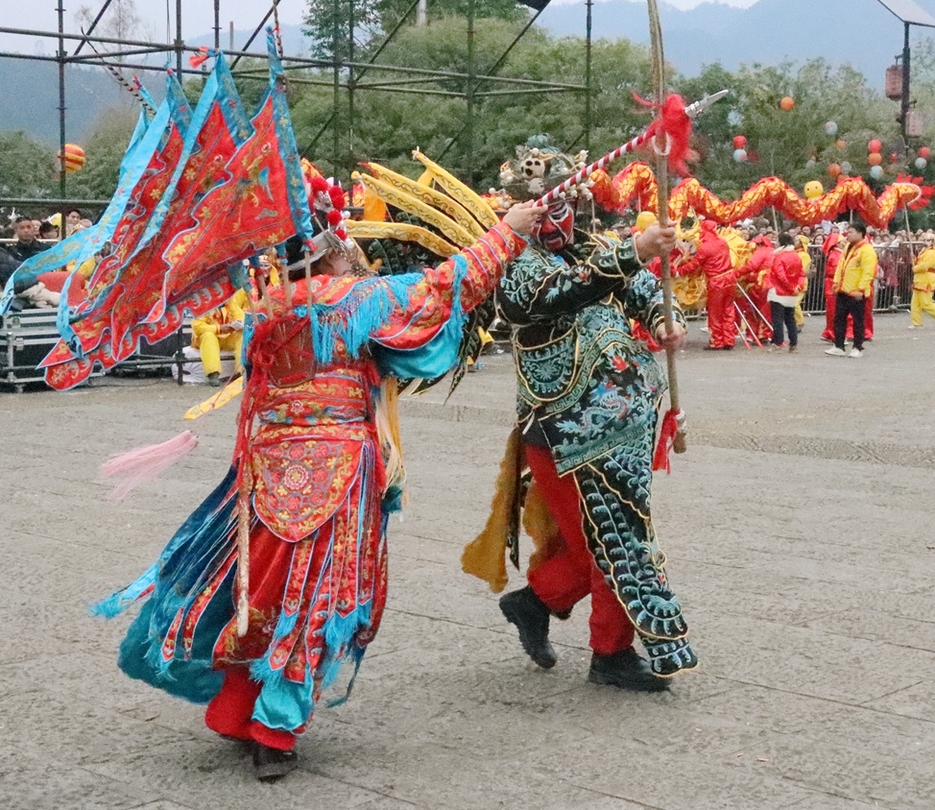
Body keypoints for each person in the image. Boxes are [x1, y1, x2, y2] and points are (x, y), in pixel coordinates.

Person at [95, 198, 543, 781]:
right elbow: (444, 286)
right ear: (325, 248)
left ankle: (237, 710)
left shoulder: (266, 306)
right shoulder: (351, 300)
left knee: (262, 585)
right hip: (336, 468)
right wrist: (506, 233)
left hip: (269, 466)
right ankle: (275, 730)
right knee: (318, 595)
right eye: (341, 241)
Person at [471, 138, 697, 691]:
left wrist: (664, 317)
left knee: (604, 538)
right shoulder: (514, 263)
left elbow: (641, 288)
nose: (553, 216)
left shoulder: (593, 245)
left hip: (628, 419)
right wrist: (634, 250)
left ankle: (536, 602)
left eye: (560, 202)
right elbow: (560, 294)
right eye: (540, 205)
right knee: (615, 542)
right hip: (564, 430)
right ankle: (610, 654)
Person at [676, 219, 736, 350]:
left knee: (715, 312)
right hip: (730, 278)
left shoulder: (705, 248)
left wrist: (678, 271)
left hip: (716, 281)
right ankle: (729, 340)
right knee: (728, 310)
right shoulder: (723, 242)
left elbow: (694, 265)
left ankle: (717, 342)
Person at [825, 221, 877, 359]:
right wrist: (836, 283)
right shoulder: (848, 247)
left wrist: (861, 289)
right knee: (839, 319)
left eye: (851, 232)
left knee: (858, 321)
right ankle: (839, 346)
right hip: (843, 290)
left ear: (860, 233)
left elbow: (868, 272)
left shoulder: (867, 250)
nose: (847, 235)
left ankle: (857, 347)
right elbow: (841, 266)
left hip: (856, 292)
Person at [190, 289, 249, 386]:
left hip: (225, 337)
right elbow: (197, 327)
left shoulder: (230, 301)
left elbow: (240, 316)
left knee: (241, 334)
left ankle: (241, 371)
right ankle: (213, 373)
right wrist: (218, 328)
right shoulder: (202, 302)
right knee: (209, 336)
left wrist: (237, 324)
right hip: (204, 338)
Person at [767, 232, 806, 351]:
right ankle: (793, 342)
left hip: (779, 292)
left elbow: (780, 275)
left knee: (777, 319)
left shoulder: (779, 256)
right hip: (792, 293)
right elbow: (801, 274)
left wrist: (789, 286)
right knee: (790, 318)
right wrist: (797, 287)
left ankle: (778, 342)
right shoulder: (796, 256)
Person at [910, 232, 935, 328]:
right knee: (915, 303)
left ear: (932, 242)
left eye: (928, 240)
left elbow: (924, 266)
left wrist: (915, 268)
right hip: (919, 279)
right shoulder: (924, 251)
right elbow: (919, 263)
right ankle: (917, 322)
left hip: (926, 279)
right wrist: (913, 259)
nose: (926, 242)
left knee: (926, 303)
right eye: (925, 240)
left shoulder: (931, 252)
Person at [820, 231, 843, 342]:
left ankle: (829, 332)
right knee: (834, 311)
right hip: (833, 285)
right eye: (842, 241)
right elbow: (834, 271)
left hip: (832, 285)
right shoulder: (836, 255)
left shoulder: (836, 254)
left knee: (832, 311)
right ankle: (833, 333)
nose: (845, 243)